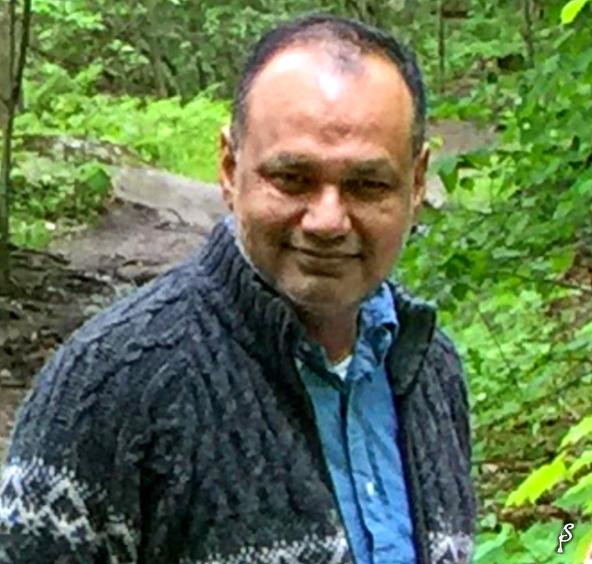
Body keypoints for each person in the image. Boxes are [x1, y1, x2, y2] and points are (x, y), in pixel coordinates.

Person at [0, 13, 476, 564]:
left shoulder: (429, 370)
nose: (327, 220)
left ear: (415, 183)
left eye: (367, 185)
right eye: (292, 178)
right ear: (230, 167)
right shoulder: (108, 390)